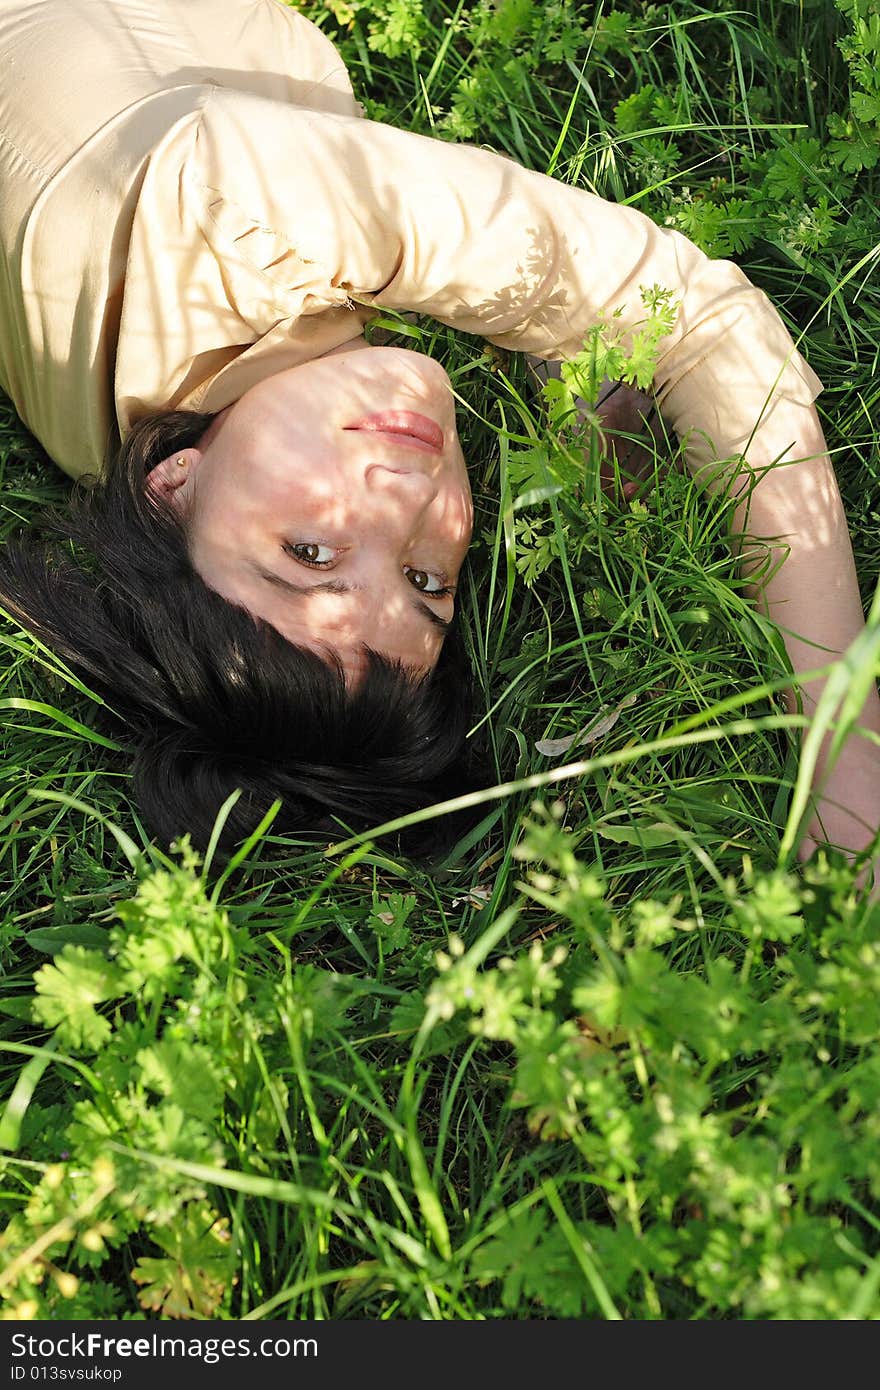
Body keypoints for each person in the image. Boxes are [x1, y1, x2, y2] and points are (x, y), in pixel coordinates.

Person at [1, 0, 878, 869]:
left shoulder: (235, 196)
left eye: (310, 555)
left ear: (173, 486)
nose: (407, 496)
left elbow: (703, 324)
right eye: (426, 579)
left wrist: (843, 738)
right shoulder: (103, 431)